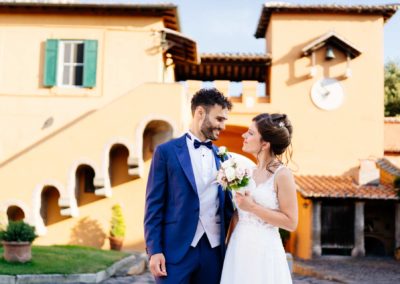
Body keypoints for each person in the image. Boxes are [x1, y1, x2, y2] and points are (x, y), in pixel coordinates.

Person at [144, 88, 234, 284]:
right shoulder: (166, 152)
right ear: (200, 112)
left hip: (213, 251)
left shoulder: (224, 157)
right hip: (174, 252)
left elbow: (228, 206)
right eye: (219, 119)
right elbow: (154, 206)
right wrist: (154, 250)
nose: (223, 126)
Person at [220, 113, 298, 284]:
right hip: (237, 248)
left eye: (250, 133)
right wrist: (226, 247)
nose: (244, 136)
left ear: (265, 143)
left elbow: (291, 222)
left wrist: (253, 207)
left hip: (264, 252)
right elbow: (238, 214)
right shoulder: (247, 171)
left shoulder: (282, 175)